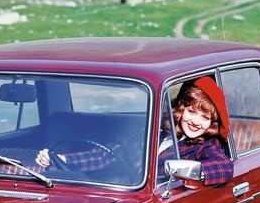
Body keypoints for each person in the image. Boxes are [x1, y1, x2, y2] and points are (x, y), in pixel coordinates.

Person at [35, 76, 233, 186]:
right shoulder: (153, 132)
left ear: (212, 123)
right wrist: (63, 158)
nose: (196, 122)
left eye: (205, 118)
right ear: (181, 110)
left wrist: (190, 170)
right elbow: (106, 155)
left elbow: (224, 166)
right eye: (192, 112)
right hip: (129, 191)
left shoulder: (204, 146)